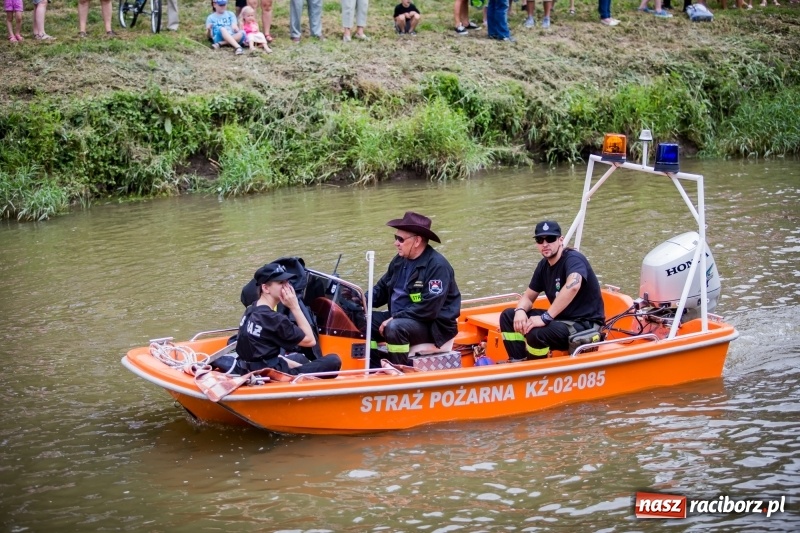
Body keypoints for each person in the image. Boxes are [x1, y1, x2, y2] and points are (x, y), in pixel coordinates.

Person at [499, 220, 605, 361]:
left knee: (536, 333)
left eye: (550, 238)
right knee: (508, 316)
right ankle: (518, 360)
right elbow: (528, 297)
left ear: (560, 240)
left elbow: (573, 285)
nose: (545, 244)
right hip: (560, 319)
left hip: (584, 324)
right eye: (539, 240)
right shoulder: (543, 266)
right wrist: (520, 311)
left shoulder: (573, 259)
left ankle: (534, 369)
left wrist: (545, 318)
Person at [369, 212, 461, 368]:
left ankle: (399, 373)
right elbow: (381, 290)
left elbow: (428, 308)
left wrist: (395, 318)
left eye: (400, 239)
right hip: (402, 315)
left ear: (417, 240)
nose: (396, 243)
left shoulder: (438, 266)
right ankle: (373, 368)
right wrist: (357, 299)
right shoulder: (399, 261)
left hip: (432, 325)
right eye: (395, 238)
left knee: (395, 328)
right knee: (363, 320)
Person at [215, 263, 342, 376]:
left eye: (287, 282)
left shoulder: (252, 309)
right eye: (281, 283)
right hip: (270, 374)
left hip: (250, 366)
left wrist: (297, 365)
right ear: (265, 288)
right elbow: (310, 341)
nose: (287, 287)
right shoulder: (273, 318)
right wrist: (295, 307)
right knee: (333, 361)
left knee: (299, 358)